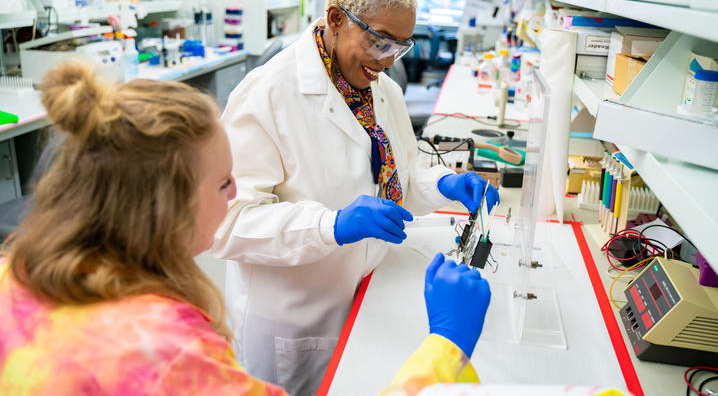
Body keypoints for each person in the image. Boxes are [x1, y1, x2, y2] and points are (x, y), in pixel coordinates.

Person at [0, 60, 492, 394]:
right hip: (290, 314)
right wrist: (443, 350)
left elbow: (396, 168)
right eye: (221, 184)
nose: (236, 193)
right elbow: (245, 223)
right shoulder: (174, 354)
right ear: (161, 206)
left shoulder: (13, 277)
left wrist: (441, 184)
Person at [214, 0, 500, 394]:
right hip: (295, 319)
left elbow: (397, 176)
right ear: (335, 19)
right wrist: (331, 224)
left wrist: (440, 184)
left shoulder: (383, 91)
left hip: (367, 297)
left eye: (400, 47)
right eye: (380, 41)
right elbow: (229, 224)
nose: (387, 62)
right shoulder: (265, 95)